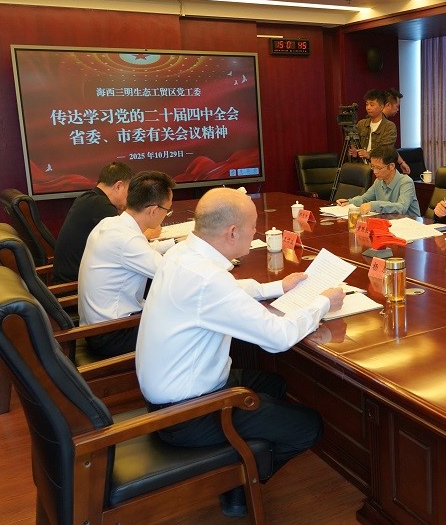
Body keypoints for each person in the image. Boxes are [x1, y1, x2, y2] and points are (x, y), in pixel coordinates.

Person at [136, 187, 344, 517]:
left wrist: (278, 287)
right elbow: (277, 338)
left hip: (172, 395)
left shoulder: (182, 254)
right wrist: (323, 303)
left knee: (273, 383)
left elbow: (224, 292)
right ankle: (240, 484)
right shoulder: (206, 279)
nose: (255, 233)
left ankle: (244, 461)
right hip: (187, 414)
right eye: (253, 227)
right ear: (232, 232)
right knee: (309, 426)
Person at [77, 170, 176, 357]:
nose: (166, 214)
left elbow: (142, 252)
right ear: (153, 210)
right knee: (191, 321)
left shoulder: (110, 224)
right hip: (113, 335)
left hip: (97, 329)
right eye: (167, 210)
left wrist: (174, 243)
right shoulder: (127, 240)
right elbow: (173, 274)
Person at [51, 162, 133, 283]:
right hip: (75, 284)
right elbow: (128, 241)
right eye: (129, 191)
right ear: (119, 186)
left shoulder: (88, 198)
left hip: (70, 276)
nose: (129, 197)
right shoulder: (102, 206)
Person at [336, 146, 420, 216]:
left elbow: (401, 208)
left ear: (391, 166)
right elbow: (364, 199)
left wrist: (373, 205)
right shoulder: (379, 181)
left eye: (378, 168)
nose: (375, 172)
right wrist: (349, 202)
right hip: (389, 223)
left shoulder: (406, 182)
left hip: (410, 225)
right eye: (372, 167)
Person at [348, 89, 396, 164]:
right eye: (367, 104)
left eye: (372, 105)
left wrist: (369, 154)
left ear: (381, 107)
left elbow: (386, 149)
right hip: (361, 166)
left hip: (379, 166)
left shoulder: (389, 126)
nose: (368, 108)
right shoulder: (361, 124)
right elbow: (354, 144)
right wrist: (354, 152)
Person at [384, 87, 411, 175]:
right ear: (388, 105)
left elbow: (390, 147)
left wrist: (401, 162)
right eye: (397, 106)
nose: (398, 109)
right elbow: (387, 148)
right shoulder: (387, 125)